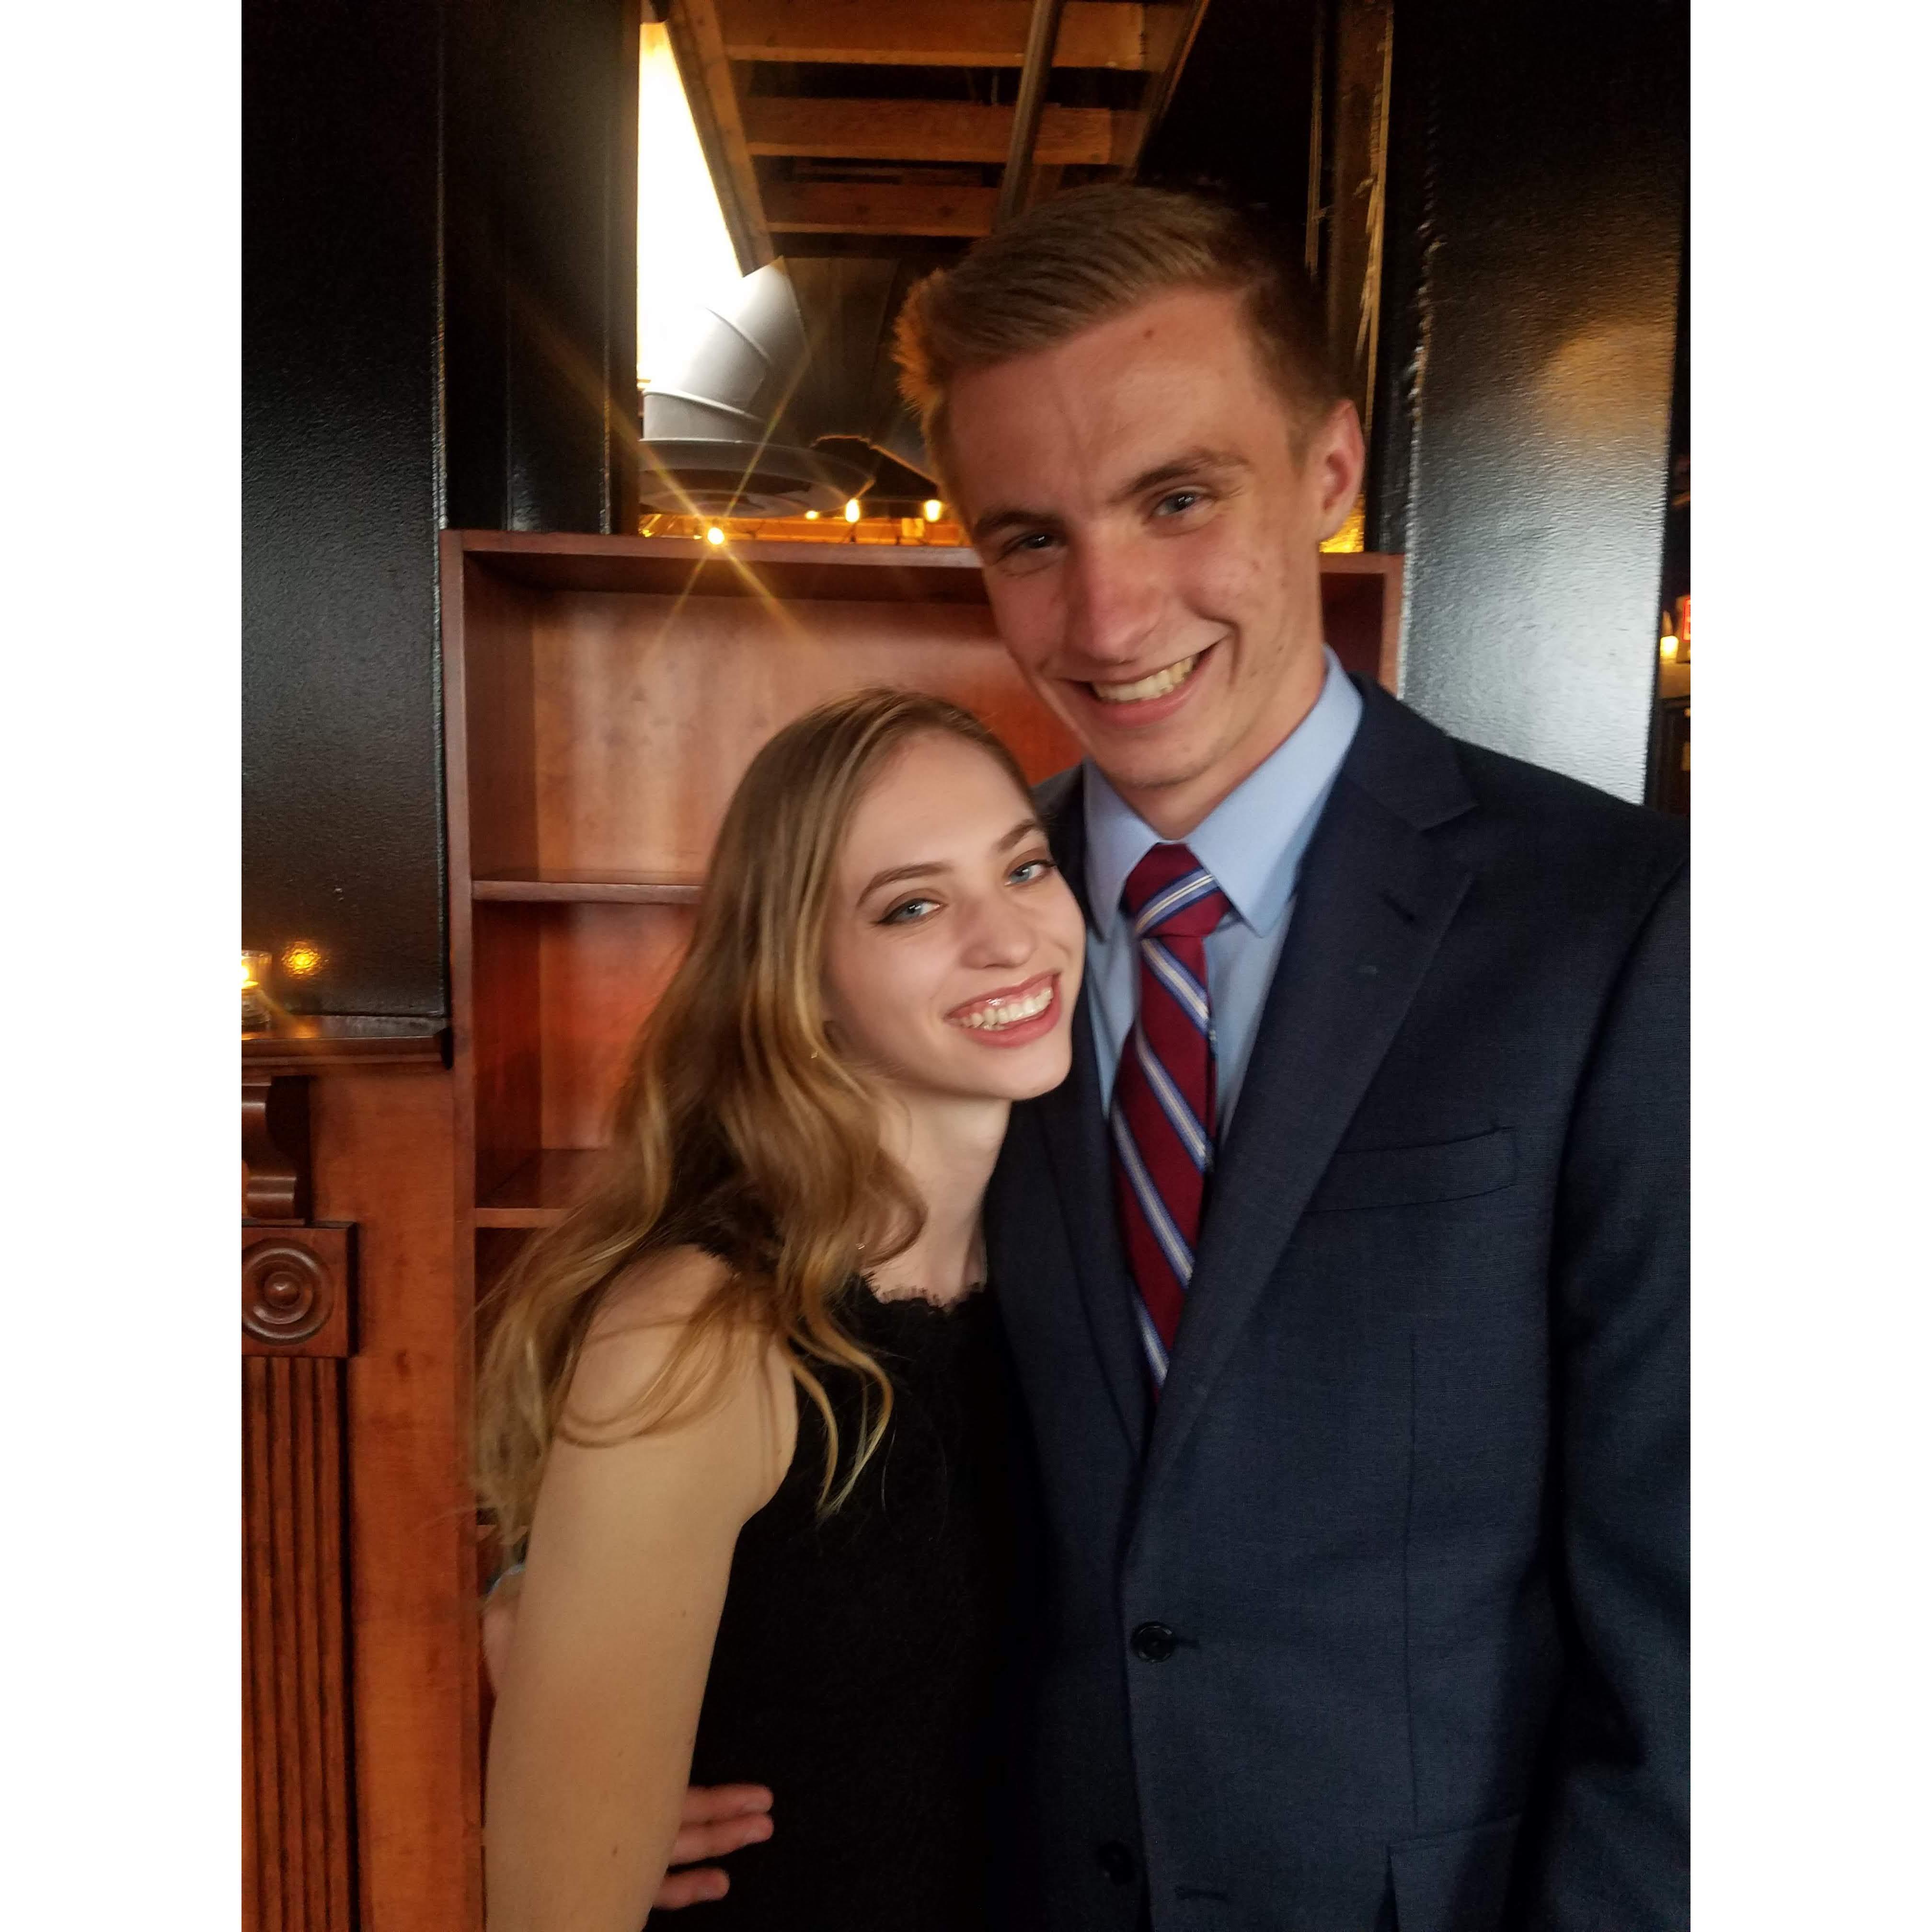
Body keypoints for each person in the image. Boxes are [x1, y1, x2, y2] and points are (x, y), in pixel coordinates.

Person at [883, 184, 1690, 1931]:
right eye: (1030, 539)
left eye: (1178, 499)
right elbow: (810, 1373)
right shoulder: (926, 934)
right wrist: (605, 1636)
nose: (1108, 619)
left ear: (1328, 471)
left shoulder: (1622, 924)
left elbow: (1704, 1607)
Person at [474, 687, 1085, 1931]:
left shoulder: (1073, 1258)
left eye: (1024, 868)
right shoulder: (703, 1335)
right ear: (801, 979)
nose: (1009, 939)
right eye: (912, 905)